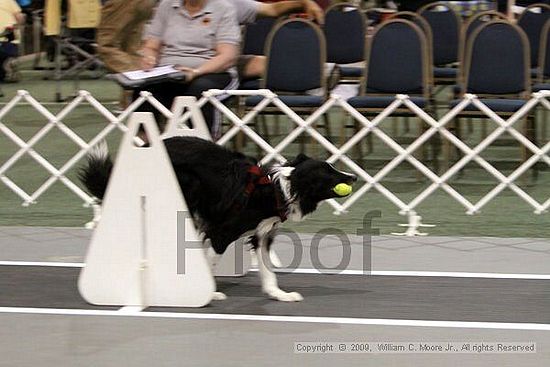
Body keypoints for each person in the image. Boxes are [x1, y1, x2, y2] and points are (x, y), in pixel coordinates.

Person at [138, 0, 241, 137]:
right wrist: (149, 58)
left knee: (201, 90)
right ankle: (146, 146)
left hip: (213, 71)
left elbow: (228, 56)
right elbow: (151, 46)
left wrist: (196, 72)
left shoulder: (224, 8)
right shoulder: (166, 5)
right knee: (144, 90)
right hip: (170, 72)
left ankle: (206, 144)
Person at [0, 0, 25, 82]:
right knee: (9, 53)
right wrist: (18, 25)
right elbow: (19, 16)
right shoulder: (8, 1)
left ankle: (7, 69)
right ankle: (10, 63)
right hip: (9, 37)